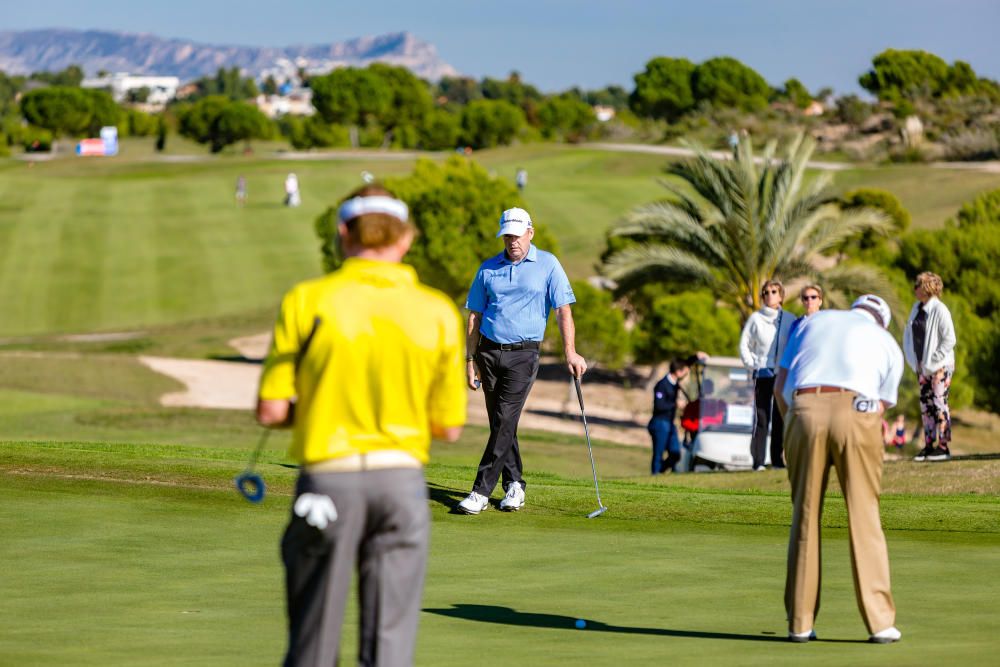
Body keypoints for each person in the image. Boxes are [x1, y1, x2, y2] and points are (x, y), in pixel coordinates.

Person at [256, 184, 467, 666]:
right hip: (402, 486)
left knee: (312, 644)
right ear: (406, 238)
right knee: (389, 650)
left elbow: (271, 410)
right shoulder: (436, 311)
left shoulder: (307, 299)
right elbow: (449, 427)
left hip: (327, 482)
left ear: (343, 232)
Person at [774, 294, 903, 644]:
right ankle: (880, 625)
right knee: (864, 513)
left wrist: (794, 428)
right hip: (858, 409)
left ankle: (799, 624)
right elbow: (879, 407)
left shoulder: (813, 322)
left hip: (803, 406)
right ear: (881, 320)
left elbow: (779, 386)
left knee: (805, 514)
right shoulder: (886, 341)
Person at [457, 207, 587, 514]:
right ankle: (514, 484)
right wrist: (469, 360)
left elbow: (563, 310)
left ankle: (480, 491)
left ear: (530, 232)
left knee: (503, 420)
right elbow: (474, 316)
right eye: (507, 235)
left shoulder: (548, 265)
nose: (512, 241)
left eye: (517, 234)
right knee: (502, 423)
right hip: (488, 353)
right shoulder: (488, 269)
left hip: (523, 354)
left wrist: (570, 351)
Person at [739, 279, 794, 470]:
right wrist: (753, 364)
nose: (769, 295)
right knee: (761, 417)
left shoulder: (789, 319)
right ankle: (758, 461)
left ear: (781, 296)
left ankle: (777, 460)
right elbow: (744, 344)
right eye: (766, 292)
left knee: (779, 417)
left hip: (781, 374)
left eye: (773, 292)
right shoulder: (755, 318)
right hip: (762, 373)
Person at [902, 271, 957, 462]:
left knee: (939, 402)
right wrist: (912, 359)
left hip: (940, 367)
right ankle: (928, 445)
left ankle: (943, 446)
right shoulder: (916, 308)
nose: (914, 288)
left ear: (926, 288)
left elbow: (950, 339)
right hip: (921, 367)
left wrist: (935, 360)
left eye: (918, 284)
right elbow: (908, 335)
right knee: (926, 406)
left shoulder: (940, 310)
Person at [648, 359, 690, 474]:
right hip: (659, 423)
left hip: (670, 424)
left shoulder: (675, 384)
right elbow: (659, 405)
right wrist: (675, 404)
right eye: (684, 371)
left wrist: (695, 357)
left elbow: (685, 364)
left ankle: (660, 472)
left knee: (675, 453)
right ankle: (654, 477)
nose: (686, 373)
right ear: (678, 371)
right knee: (658, 454)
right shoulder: (662, 384)